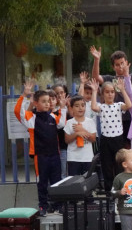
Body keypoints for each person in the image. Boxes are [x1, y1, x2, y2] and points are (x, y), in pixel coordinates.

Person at [90, 40, 132, 145]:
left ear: (126, 63)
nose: (120, 67)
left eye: (122, 63)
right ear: (113, 66)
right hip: (116, 121)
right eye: (117, 64)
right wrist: (96, 60)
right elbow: (96, 77)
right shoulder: (109, 79)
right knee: (121, 149)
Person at [19, 88, 67, 216]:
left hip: (55, 155)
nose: (47, 103)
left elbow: (62, 123)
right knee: (42, 182)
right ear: (36, 103)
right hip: (40, 157)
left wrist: (63, 107)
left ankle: (58, 206)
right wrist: (24, 95)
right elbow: (18, 112)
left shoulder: (52, 116)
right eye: (44, 101)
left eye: (48, 101)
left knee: (57, 182)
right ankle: (43, 206)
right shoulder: (31, 118)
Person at [89, 78, 131, 191]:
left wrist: (122, 90)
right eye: (107, 92)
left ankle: (120, 189)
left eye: (112, 92)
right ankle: (109, 191)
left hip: (118, 139)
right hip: (105, 140)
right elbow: (93, 107)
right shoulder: (101, 107)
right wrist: (94, 91)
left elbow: (129, 105)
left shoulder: (118, 105)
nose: (110, 94)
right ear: (102, 94)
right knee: (106, 166)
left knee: (119, 165)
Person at [64, 95, 97, 176]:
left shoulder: (90, 122)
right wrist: (76, 134)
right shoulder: (69, 122)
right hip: (73, 158)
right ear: (71, 108)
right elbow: (67, 140)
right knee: (73, 182)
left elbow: (93, 139)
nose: (80, 108)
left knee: (87, 181)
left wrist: (82, 130)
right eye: (77, 106)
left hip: (87, 158)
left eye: (83, 105)